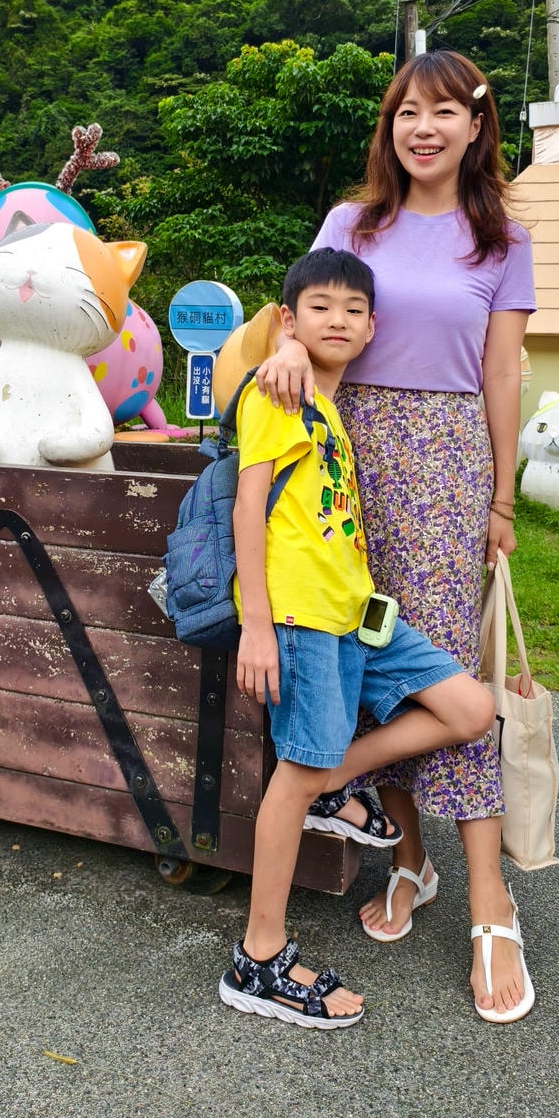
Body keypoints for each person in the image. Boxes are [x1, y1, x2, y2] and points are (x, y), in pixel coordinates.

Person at [256, 49, 536, 1022]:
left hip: (448, 460)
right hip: (346, 451)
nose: (424, 127)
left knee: (448, 664)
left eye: (444, 111)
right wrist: (290, 347)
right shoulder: (352, 222)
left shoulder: (503, 239)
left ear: (474, 123)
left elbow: (504, 376)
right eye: (407, 111)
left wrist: (502, 494)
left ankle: (489, 903)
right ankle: (409, 858)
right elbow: (303, 313)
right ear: (391, 124)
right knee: (375, 660)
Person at [219, 247, 496, 1029]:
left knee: (469, 708)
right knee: (292, 776)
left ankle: (336, 782)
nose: (336, 320)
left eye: (351, 309)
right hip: (302, 618)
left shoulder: (331, 406)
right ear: (288, 319)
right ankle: (259, 957)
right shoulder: (277, 391)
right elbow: (250, 510)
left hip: (359, 614)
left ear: (371, 327)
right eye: (318, 308)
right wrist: (258, 625)